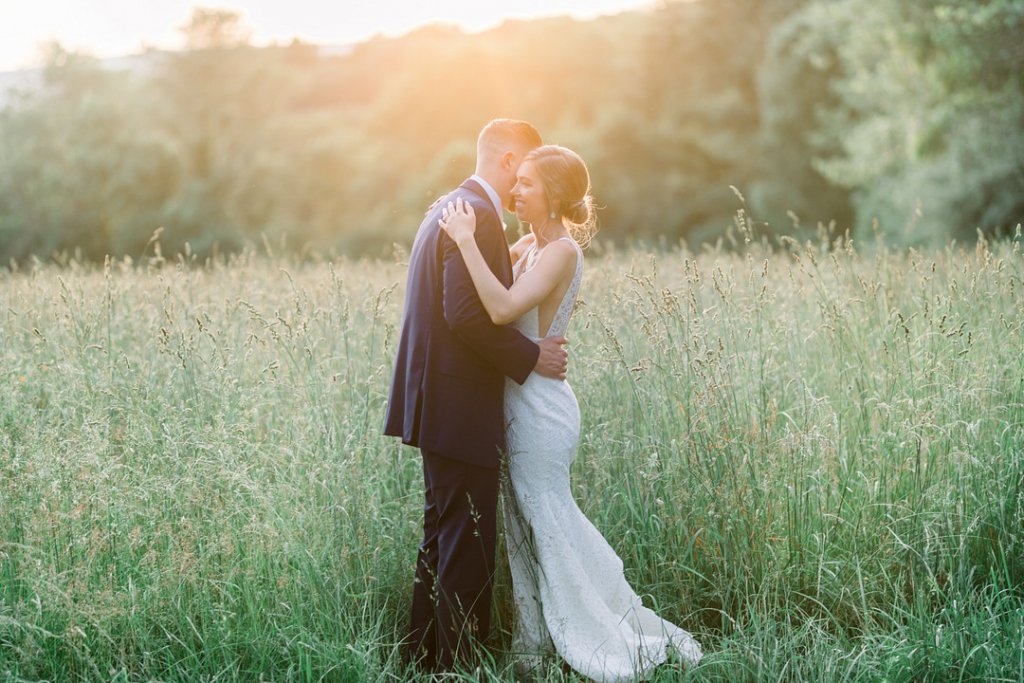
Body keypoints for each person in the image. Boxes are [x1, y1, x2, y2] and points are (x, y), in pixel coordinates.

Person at [439, 144, 703, 681]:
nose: (516, 190)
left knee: (546, 517)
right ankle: (533, 643)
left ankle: (592, 632)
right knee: (521, 521)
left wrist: (464, 239)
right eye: (517, 183)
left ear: (555, 196)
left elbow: (502, 309)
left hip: (541, 408)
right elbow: (491, 297)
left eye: (527, 184)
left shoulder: (561, 251)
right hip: (517, 396)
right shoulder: (528, 247)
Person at [383, 119, 570, 672]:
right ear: (510, 159)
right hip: (458, 405)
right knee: (468, 541)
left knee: (443, 535)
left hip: (433, 399)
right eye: (528, 170)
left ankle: (425, 660)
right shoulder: (477, 216)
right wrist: (531, 356)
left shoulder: (450, 205)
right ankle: (459, 666)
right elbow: (467, 314)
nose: (522, 187)